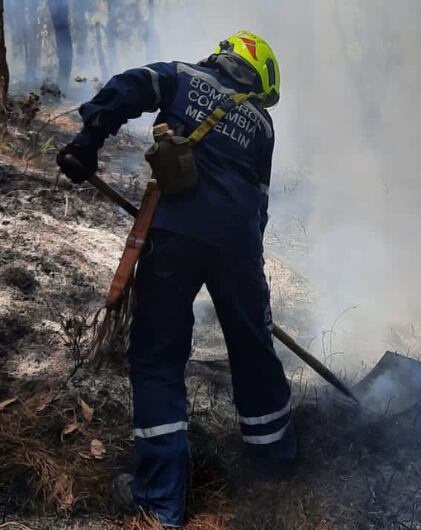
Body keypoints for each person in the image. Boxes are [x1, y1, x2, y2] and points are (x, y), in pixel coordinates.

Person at [56, 31, 293, 528]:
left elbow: (125, 88)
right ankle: (276, 474)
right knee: (254, 350)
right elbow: (260, 201)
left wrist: (87, 142)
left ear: (225, 55)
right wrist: (246, 267)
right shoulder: (263, 125)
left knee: (159, 358)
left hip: (175, 236)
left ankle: (161, 505)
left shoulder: (179, 76)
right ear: (259, 77)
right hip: (239, 248)